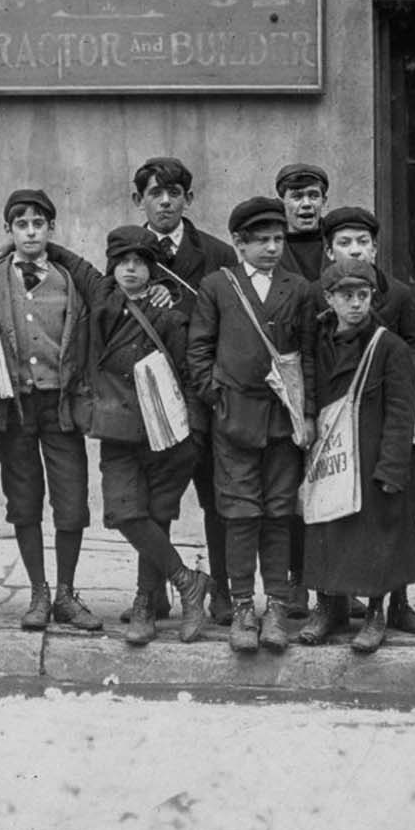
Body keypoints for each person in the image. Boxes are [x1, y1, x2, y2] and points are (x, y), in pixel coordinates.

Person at [49, 225, 212, 645]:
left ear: (153, 271)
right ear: (113, 267)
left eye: (141, 263)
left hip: (166, 435)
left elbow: (192, 376)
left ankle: (145, 601)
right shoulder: (101, 297)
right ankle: (188, 580)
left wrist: (192, 430)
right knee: (124, 512)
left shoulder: (171, 316)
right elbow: (73, 261)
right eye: (123, 263)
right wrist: (23, 246)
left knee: (156, 514)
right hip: (116, 430)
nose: (132, 270)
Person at [187, 197, 317, 653]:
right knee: (240, 514)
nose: (272, 248)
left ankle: (276, 607)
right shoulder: (219, 287)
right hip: (234, 419)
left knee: (279, 513)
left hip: (283, 421)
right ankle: (244, 605)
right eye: (261, 240)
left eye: (278, 239)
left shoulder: (298, 288)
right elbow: (199, 350)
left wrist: (307, 412)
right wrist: (216, 396)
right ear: (239, 243)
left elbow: (309, 354)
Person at [0, 188, 101, 632]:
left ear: (51, 229)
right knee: (24, 502)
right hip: (16, 409)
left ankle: (65, 593)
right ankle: (39, 593)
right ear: (8, 231)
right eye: (21, 225)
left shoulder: (70, 280)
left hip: (61, 405)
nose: (31, 231)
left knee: (70, 501)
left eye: (39, 224)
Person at [308, 205, 415, 636]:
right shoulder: (317, 314)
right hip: (334, 438)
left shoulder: (394, 299)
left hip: (379, 423)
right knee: (328, 524)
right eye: (344, 242)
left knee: (384, 524)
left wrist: (388, 373)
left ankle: (388, 608)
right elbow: (308, 368)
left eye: (363, 242)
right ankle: (330, 608)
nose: (355, 249)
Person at [132, 155, 238, 625]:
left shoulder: (217, 254)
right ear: (140, 200)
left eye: (174, 193)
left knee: (217, 497)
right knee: (157, 499)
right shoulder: (129, 253)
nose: (166, 201)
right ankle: (151, 595)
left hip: (208, 392)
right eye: (156, 193)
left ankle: (224, 593)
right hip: (153, 393)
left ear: (188, 199)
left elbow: (232, 322)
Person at [274, 162, 330, 617]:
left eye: (313, 195)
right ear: (283, 202)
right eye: (296, 197)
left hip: (336, 378)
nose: (305, 204)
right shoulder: (273, 249)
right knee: (292, 487)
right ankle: (296, 581)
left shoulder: (342, 244)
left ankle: (335, 582)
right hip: (288, 383)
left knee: (335, 483)